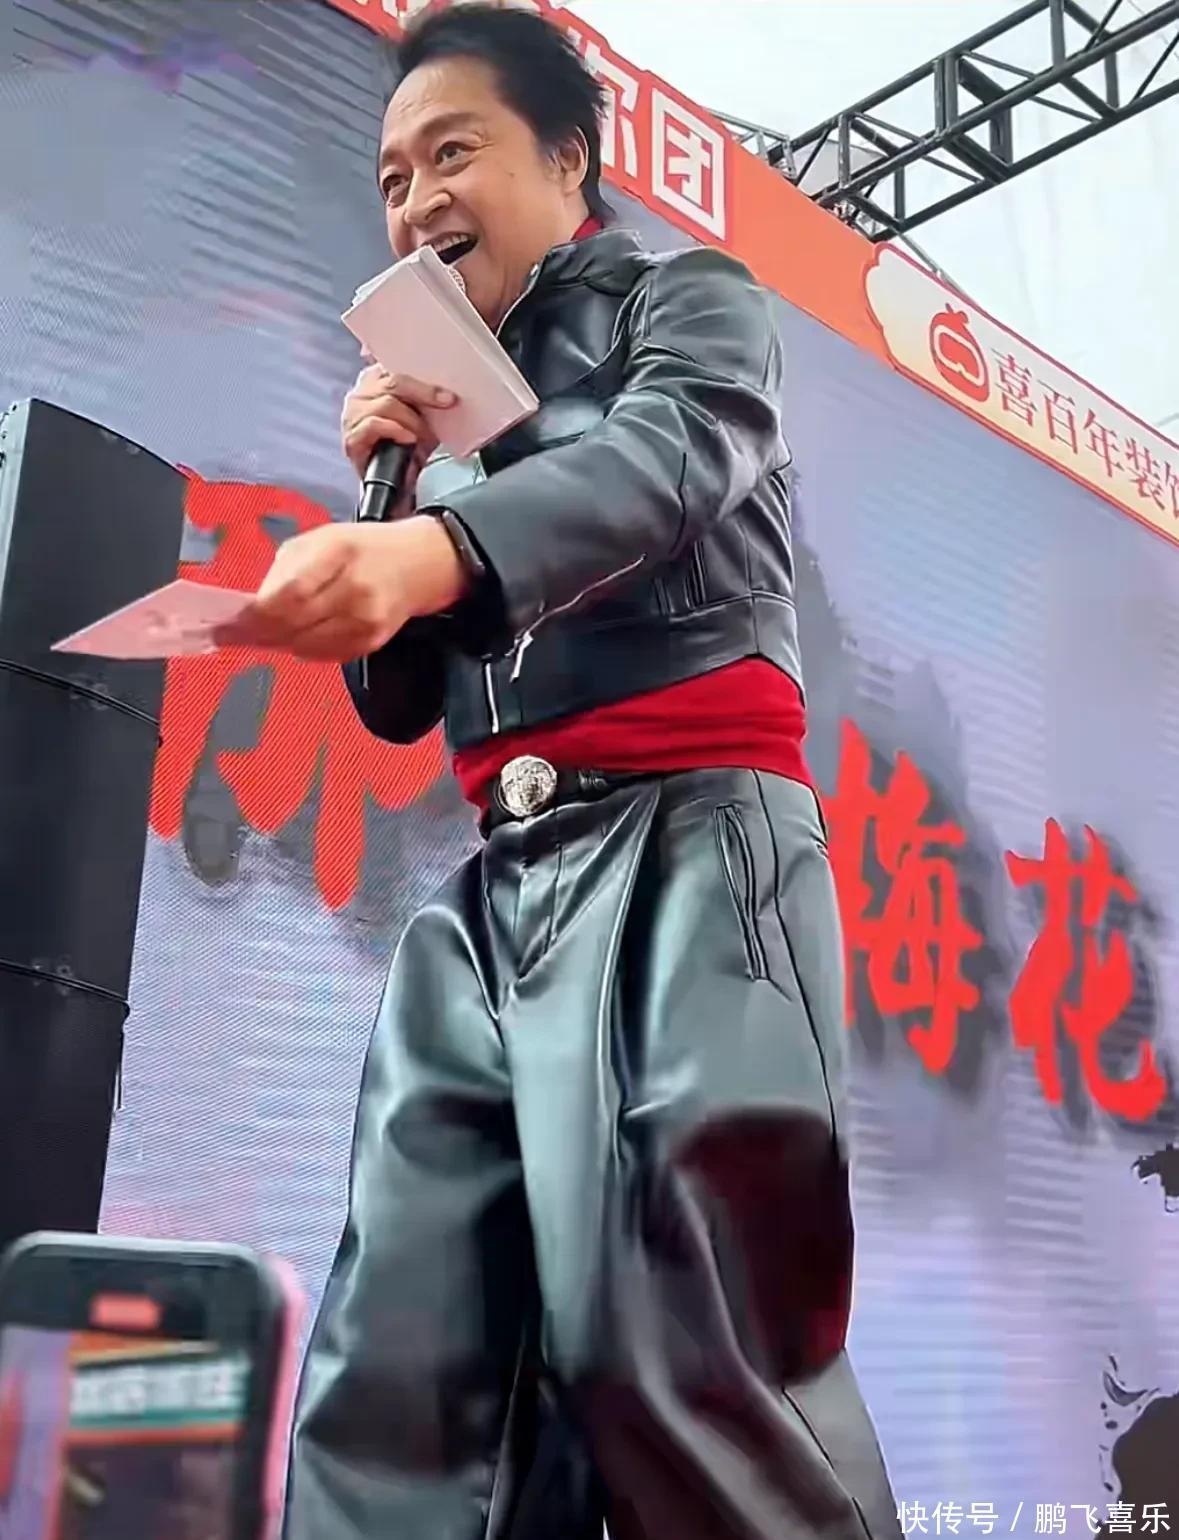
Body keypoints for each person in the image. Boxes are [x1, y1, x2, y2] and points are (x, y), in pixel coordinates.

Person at [225, 6, 900, 1538]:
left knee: (671, 1341)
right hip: (496, 893)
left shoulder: (690, 300)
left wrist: (435, 543)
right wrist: (389, 491)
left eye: (451, 153)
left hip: (693, 849)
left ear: (570, 160)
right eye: (392, 178)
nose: (417, 201)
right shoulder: (439, 406)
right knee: (406, 1361)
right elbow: (400, 703)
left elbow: (667, 463)